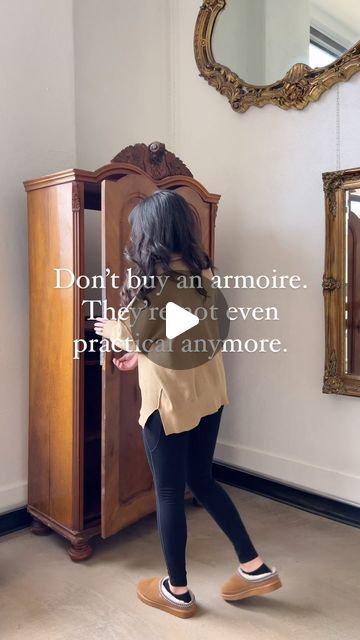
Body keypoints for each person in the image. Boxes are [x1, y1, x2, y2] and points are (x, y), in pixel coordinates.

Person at [94, 190, 282, 619]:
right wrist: (144, 352)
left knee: (167, 493)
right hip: (209, 395)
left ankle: (176, 591)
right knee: (203, 479)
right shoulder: (204, 275)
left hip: (169, 405)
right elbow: (188, 328)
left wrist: (112, 329)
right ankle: (253, 566)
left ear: (150, 235)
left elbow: (131, 330)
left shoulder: (151, 286)